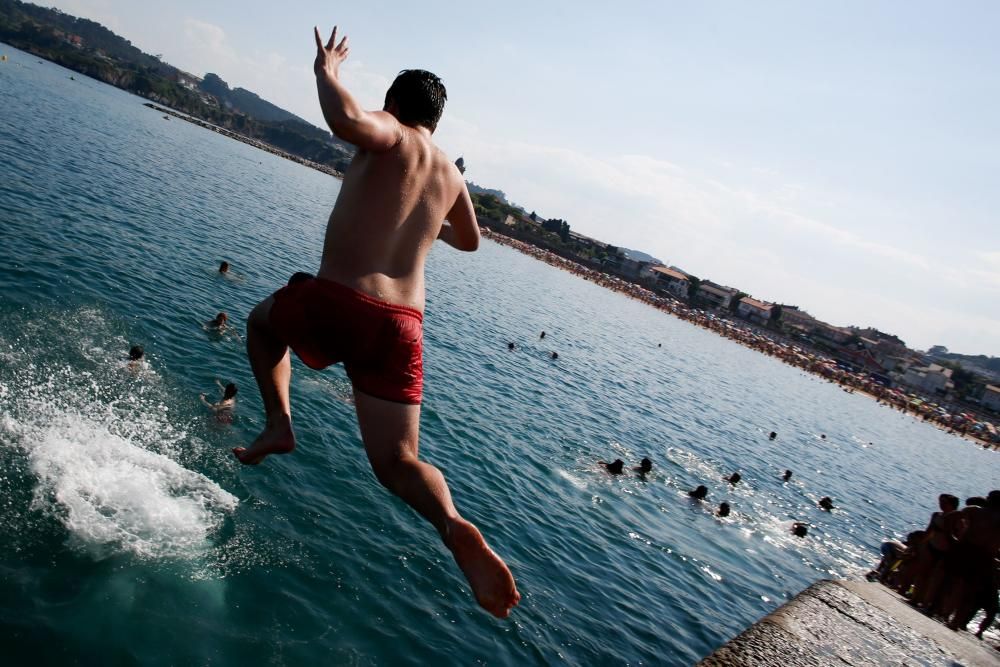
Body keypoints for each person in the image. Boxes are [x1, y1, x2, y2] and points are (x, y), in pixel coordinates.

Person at [234, 26, 518, 619]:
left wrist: (326, 72)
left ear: (395, 105)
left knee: (263, 327)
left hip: (342, 299)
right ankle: (453, 523)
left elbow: (346, 123)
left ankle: (279, 424)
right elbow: (469, 240)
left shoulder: (393, 134)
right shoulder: (449, 173)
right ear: (438, 122)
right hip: (403, 327)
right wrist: (425, 216)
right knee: (398, 462)